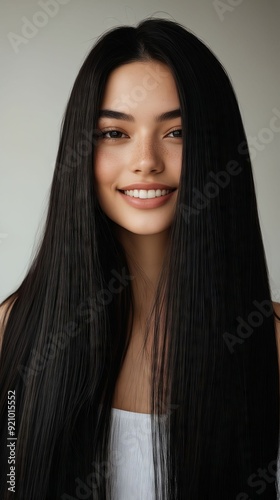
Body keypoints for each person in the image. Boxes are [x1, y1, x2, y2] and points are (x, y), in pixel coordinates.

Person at [0, 17, 279, 500]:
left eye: (177, 132)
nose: (146, 159)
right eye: (114, 133)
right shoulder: (10, 331)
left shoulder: (271, 341)